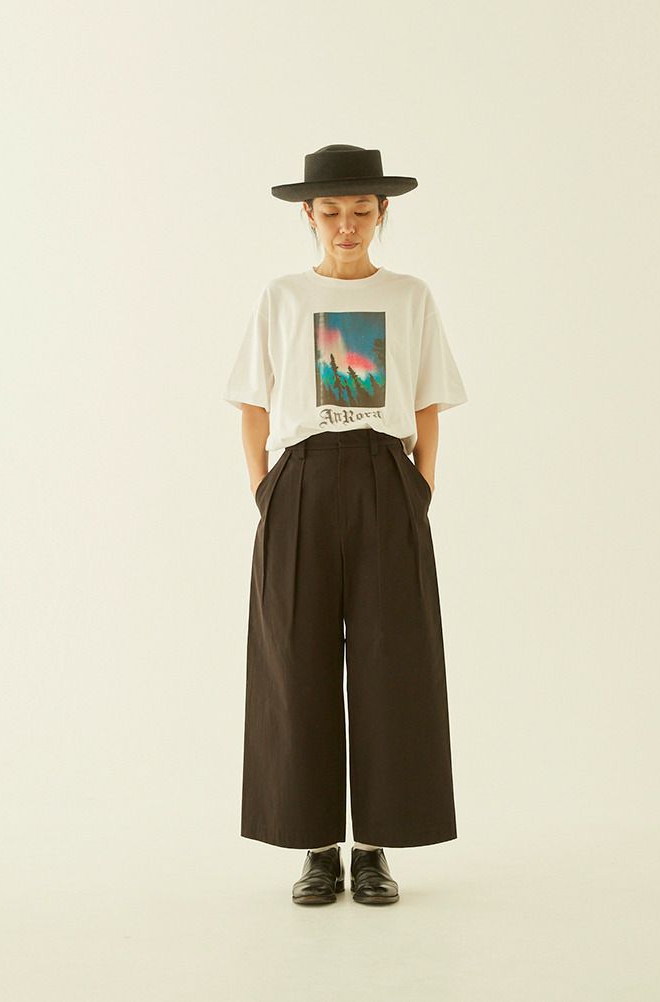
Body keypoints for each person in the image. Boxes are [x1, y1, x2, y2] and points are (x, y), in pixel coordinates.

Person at [223, 144, 468, 906]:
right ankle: (317, 849)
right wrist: (267, 491)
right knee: (295, 665)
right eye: (331, 211)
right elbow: (252, 404)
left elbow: (426, 403)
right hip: (300, 482)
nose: (347, 224)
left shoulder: (410, 296)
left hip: (384, 480)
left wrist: (418, 490)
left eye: (362, 210)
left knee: (393, 665)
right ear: (308, 214)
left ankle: (374, 850)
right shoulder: (283, 296)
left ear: (382, 211)